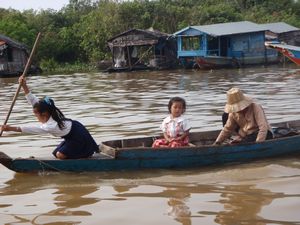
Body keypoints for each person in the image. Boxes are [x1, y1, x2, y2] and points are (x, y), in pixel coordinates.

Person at [0, 76, 99, 159]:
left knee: (60, 155)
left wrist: (10, 128)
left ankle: (84, 156)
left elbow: (31, 129)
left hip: (78, 135)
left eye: (36, 114)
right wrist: (24, 85)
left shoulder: (51, 125)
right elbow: (33, 100)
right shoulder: (47, 109)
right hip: (72, 134)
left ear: (44, 114)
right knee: (55, 153)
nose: (36, 117)